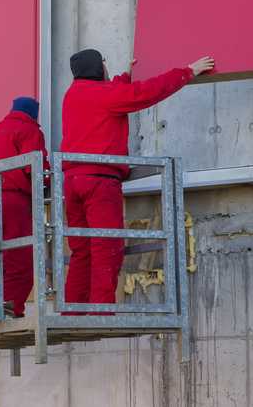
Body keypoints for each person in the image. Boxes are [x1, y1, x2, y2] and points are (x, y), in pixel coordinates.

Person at [60, 49, 215, 306]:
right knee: (106, 248)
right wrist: (189, 71)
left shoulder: (73, 95)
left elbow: (108, 98)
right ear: (99, 68)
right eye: (104, 64)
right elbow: (146, 93)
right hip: (99, 180)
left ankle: (74, 311)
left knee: (81, 251)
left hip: (72, 181)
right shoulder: (105, 95)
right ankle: (101, 312)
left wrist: (124, 77)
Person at [0, 96, 49, 317]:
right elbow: (36, 170)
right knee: (20, 257)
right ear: (33, 114)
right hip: (14, 201)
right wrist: (50, 183)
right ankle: (11, 307)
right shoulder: (30, 131)